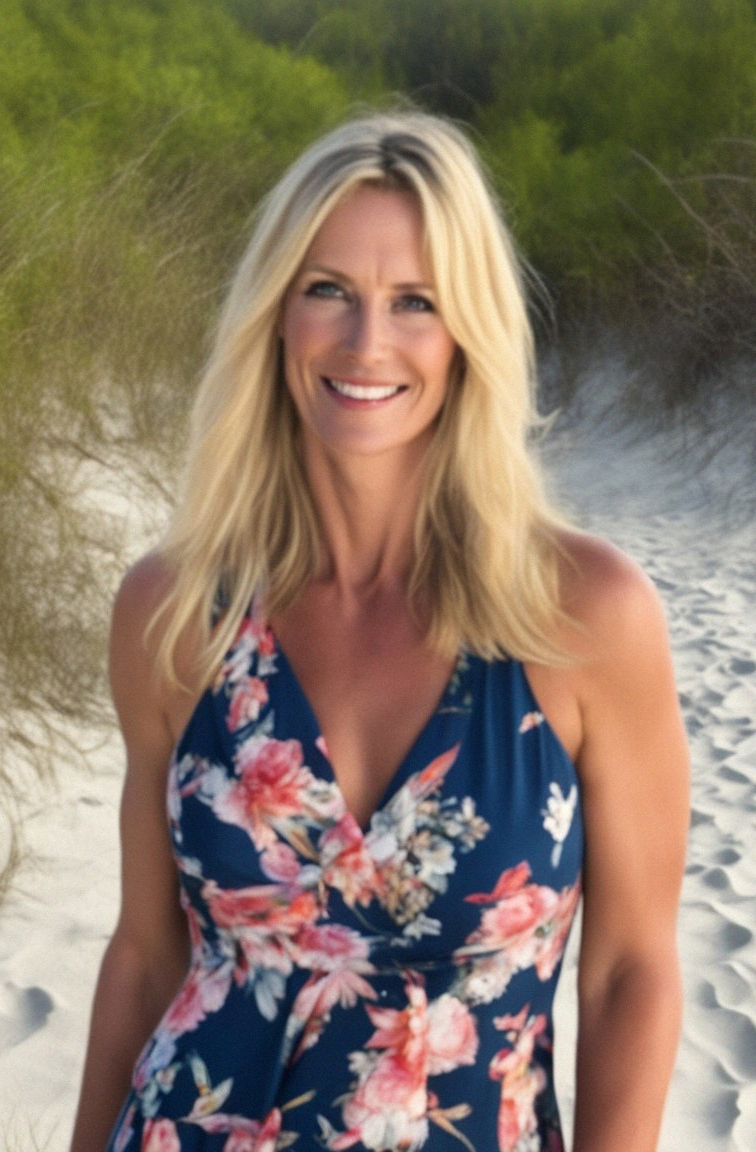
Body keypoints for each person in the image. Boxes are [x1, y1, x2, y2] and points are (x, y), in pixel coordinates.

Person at [70, 110, 689, 1152]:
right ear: (275, 313)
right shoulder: (175, 614)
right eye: (328, 292)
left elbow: (632, 969)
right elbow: (143, 958)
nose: (366, 343)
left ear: (468, 332)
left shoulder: (584, 614)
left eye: (416, 302)